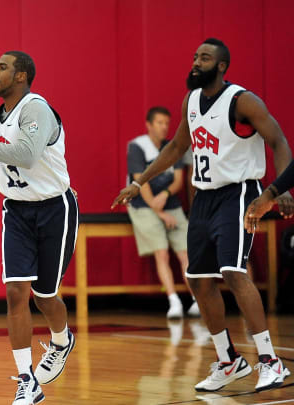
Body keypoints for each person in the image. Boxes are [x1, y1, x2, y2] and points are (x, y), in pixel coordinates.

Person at [112, 38, 292, 392]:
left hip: (237, 193)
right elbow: (178, 147)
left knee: (233, 272)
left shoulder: (243, 101)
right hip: (205, 199)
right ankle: (229, 361)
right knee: (197, 279)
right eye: (195, 56)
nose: (196, 62)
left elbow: (280, 141)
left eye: (205, 58)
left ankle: (270, 362)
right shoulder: (191, 100)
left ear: (222, 66)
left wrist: (281, 189)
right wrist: (140, 181)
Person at [0, 51, 77, 405]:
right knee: (16, 291)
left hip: (54, 208)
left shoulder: (36, 108)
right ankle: (26, 381)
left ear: (21, 76)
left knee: (44, 295)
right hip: (16, 212)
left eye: (2, 66)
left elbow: (26, 155)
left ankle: (62, 340)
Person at [126, 106, 198, 319]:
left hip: (169, 203)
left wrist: (166, 194)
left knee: (186, 253)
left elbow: (177, 181)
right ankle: (173, 300)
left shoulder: (172, 147)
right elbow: (141, 184)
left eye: (167, 123)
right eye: (159, 123)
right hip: (143, 205)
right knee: (162, 252)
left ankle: (197, 300)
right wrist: (160, 213)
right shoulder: (137, 147)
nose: (164, 127)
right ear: (149, 125)